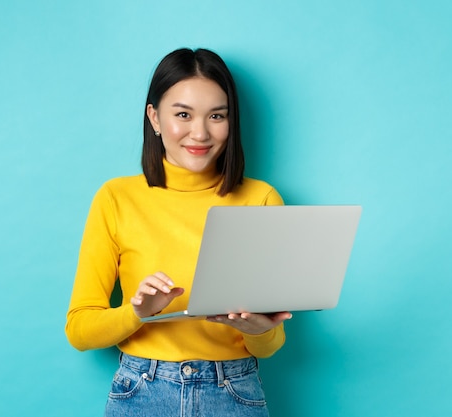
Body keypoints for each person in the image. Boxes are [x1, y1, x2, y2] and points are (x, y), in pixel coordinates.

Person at [65, 47, 292, 417]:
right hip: (142, 389)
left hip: (234, 390)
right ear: (154, 117)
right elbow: (79, 330)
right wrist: (138, 312)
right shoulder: (116, 198)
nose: (200, 132)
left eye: (217, 115)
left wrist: (256, 328)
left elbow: (271, 345)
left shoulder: (261, 199)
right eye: (183, 114)